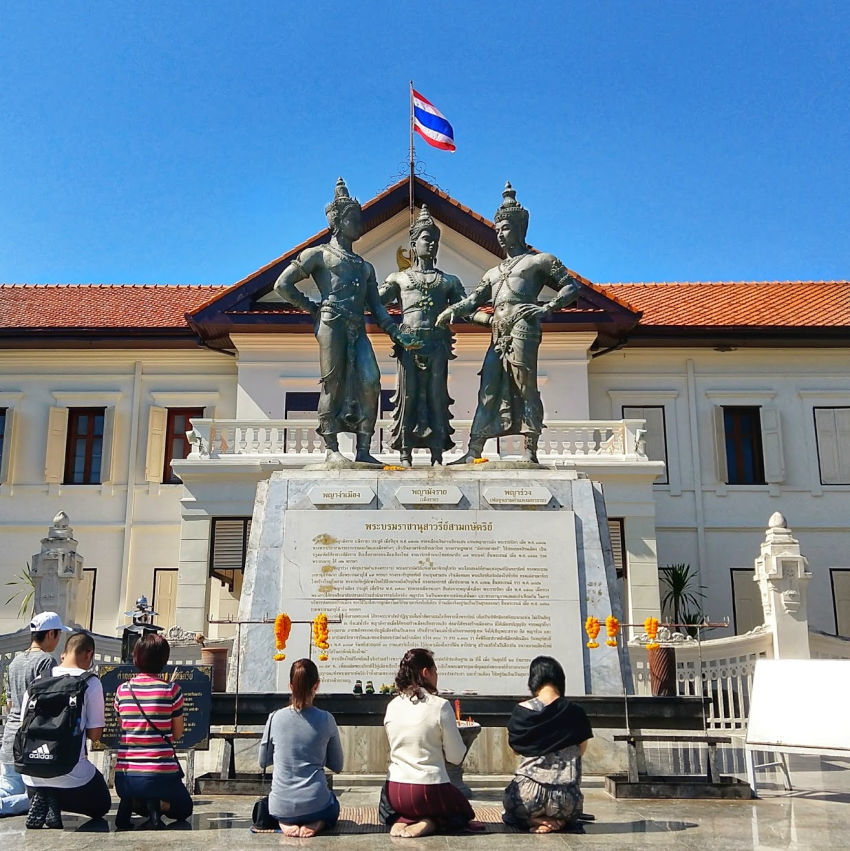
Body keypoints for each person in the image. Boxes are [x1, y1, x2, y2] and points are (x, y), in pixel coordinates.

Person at [274, 177, 419, 464]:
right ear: (337, 222)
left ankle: (363, 448)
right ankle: (332, 448)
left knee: (371, 379)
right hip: (332, 322)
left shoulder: (364, 267)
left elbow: (377, 308)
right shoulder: (319, 255)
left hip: (357, 327)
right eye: (353, 218)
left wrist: (396, 333)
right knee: (334, 381)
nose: (359, 224)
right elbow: (282, 285)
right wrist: (312, 307)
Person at [436, 182, 582, 463]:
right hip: (498, 332)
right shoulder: (493, 272)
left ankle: (530, 450)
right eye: (498, 229)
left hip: (523, 327)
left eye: (505, 227)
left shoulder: (539, 261)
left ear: (519, 227)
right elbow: (471, 302)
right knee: (488, 387)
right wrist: (449, 311)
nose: (500, 234)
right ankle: (474, 450)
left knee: (524, 384)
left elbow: (570, 287)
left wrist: (547, 308)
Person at [379, 205, 474, 466]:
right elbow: (374, 305)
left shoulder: (449, 281)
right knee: (407, 396)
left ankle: (437, 452)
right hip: (408, 343)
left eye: (434, 241)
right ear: (413, 243)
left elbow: (465, 309)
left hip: (437, 342)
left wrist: (489, 316)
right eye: (425, 239)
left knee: (436, 396)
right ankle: (405, 451)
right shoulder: (399, 279)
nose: (431, 245)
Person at [382, 648, 484, 838]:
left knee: (390, 805)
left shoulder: (392, 706)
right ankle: (430, 822)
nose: (437, 677)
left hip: (395, 791)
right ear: (425, 673)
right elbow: (455, 757)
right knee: (462, 811)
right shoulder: (440, 705)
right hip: (427, 790)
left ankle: (401, 819)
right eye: (435, 671)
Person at [21, 631, 110, 828]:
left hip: (32, 775)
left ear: (65, 652)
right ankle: (56, 800)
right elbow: (95, 736)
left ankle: (47, 798)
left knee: (46, 785)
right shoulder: (90, 683)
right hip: (71, 775)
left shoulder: (37, 682)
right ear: (88, 654)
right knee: (102, 806)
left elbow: (23, 726)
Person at [502, 655, 593, 834]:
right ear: (560, 680)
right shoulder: (576, 712)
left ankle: (533, 820)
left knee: (510, 813)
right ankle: (558, 822)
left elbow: (514, 750)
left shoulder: (521, 711)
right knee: (568, 814)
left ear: (533, 680)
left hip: (529, 797)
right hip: (567, 800)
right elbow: (581, 750)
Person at [113, 632, 192, 829]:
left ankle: (135, 801)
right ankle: (155, 804)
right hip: (160, 775)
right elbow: (177, 734)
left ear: (136, 656)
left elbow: (123, 726)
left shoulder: (122, 690)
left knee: (140, 790)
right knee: (183, 809)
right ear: (164, 659)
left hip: (126, 775)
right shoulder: (172, 691)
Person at [258, 658, 343, 837]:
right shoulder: (327, 719)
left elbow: (263, 761)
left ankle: (284, 821)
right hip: (316, 803)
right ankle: (317, 823)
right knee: (334, 805)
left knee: (277, 806)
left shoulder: (274, 718)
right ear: (317, 685)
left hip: (280, 805)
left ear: (291, 686)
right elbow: (338, 765)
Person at [0, 612, 69, 817]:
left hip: (10, 735)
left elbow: (11, 702)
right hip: (31, 739)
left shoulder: (15, 662)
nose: (58, 641)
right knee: (39, 796)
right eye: (58, 635)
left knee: (8, 787)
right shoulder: (47, 662)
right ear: (50, 634)